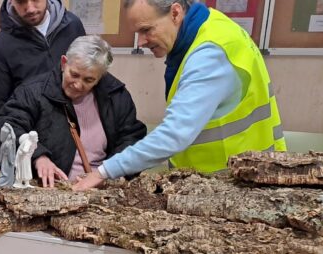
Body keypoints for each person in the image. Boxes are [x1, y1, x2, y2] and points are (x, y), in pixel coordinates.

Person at [0, 35, 147, 254]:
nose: (78, 85)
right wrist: (37, 156)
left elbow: (132, 137)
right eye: (74, 75)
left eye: (89, 80)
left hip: (98, 192)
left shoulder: (116, 95)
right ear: (63, 63)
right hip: (50, 192)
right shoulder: (35, 90)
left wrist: (108, 171)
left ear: (101, 77)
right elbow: (9, 124)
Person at [73, 0, 285, 191]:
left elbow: (173, 134)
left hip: (235, 182)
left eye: (146, 30)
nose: (141, 42)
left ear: (175, 13)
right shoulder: (213, 27)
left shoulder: (209, 54)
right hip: (228, 179)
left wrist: (103, 172)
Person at [0, 0, 85, 254]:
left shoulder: (74, 28)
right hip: (29, 155)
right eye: (20, 0)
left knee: (69, 226)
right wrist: (12, 164)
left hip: (72, 148)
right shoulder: (1, 47)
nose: (30, 7)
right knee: (30, 232)